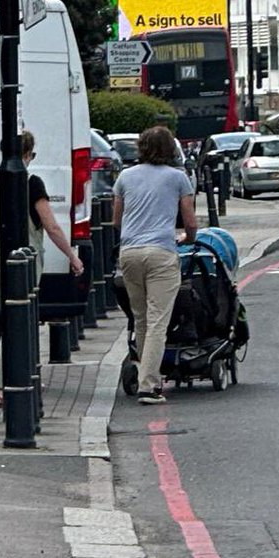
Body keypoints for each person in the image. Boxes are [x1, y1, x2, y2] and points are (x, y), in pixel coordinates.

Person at [0, 129, 85, 407]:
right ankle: (3, 384)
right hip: (24, 259)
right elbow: (51, 226)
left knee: (12, 316)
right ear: (25, 154)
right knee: (19, 319)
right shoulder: (31, 183)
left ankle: (25, 372)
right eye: (31, 154)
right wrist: (72, 256)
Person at [112, 125, 197, 406]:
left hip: (130, 252)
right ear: (170, 149)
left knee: (141, 318)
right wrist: (187, 238)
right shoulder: (178, 178)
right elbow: (190, 222)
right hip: (161, 251)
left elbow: (117, 221)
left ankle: (144, 371)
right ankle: (149, 385)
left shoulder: (125, 176)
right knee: (159, 319)